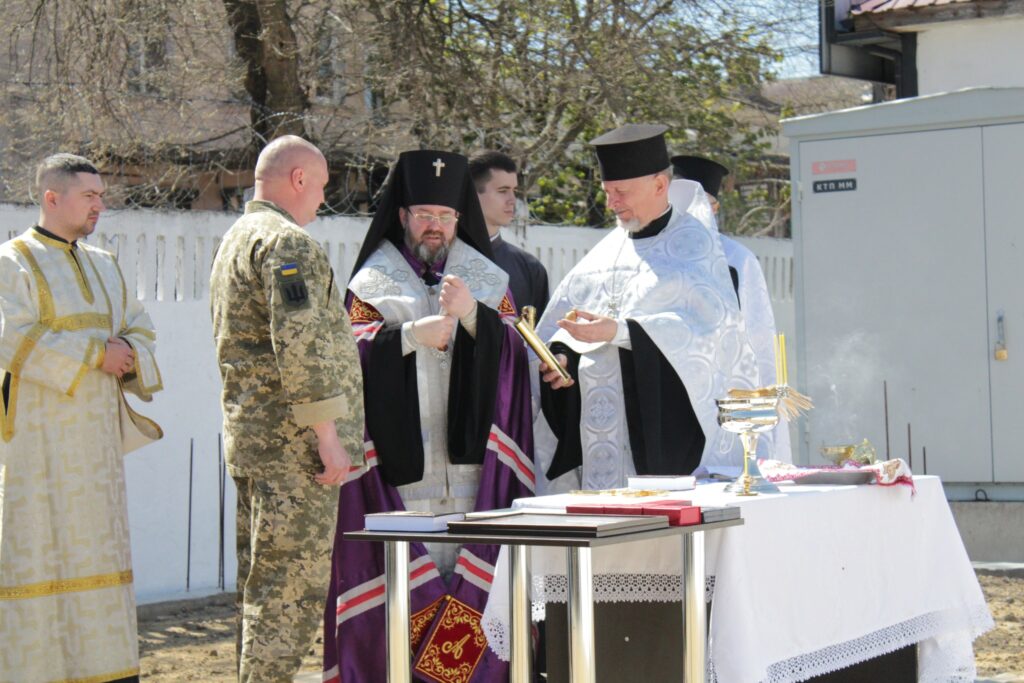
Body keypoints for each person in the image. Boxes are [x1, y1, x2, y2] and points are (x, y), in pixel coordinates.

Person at [324, 150, 534, 683]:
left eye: (445, 217)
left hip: (472, 476)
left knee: (477, 593)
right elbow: (346, 358)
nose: (435, 227)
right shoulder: (371, 282)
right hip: (400, 479)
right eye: (424, 215)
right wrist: (411, 337)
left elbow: (514, 358)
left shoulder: (485, 278)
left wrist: (473, 320)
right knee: (408, 597)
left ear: (460, 218)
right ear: (401, 216)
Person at [0, 154, 162, 683]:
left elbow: (140, 326)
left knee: (98, 560)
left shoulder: (104, 263)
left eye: (101, 194)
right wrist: (96, 354)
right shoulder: (13, 261)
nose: (100, 204)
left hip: (95, 454)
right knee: (40, 558)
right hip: (37, 452)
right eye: (89, 196)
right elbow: (11, 337)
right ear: (52, 197)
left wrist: (131, 353)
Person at [209, 135, 365, 683]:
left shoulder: (236, 238)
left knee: (261, 588)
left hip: (255, 442)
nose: (321, 201)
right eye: (320, 188)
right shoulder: (286, 243)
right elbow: (297, 343)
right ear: (298, 180)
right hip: (292, 451)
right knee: (289, 596)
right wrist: (327, 434)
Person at [534, 124, 759, 494]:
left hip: (660, 442)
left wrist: (621, 332)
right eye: (607, 192)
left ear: (659, 185)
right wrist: (560, 360)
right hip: (594, 441)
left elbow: (713, 337)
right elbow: (563, 326)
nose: (612, 203)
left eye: (621, 191)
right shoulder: (602, 255)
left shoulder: (697, 248)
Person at [670, 154, 791, 462]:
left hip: (722, 390)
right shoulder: (658, 256)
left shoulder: (738, 260)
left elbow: (756, 337)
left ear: (714, 208)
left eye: (698, 203)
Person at [469, 150, 550, 317]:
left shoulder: (529, 268)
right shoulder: (442, 259)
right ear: (472, 194)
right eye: (502, 190)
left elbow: (539, 338)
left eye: (514, 190)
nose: (512, 200)